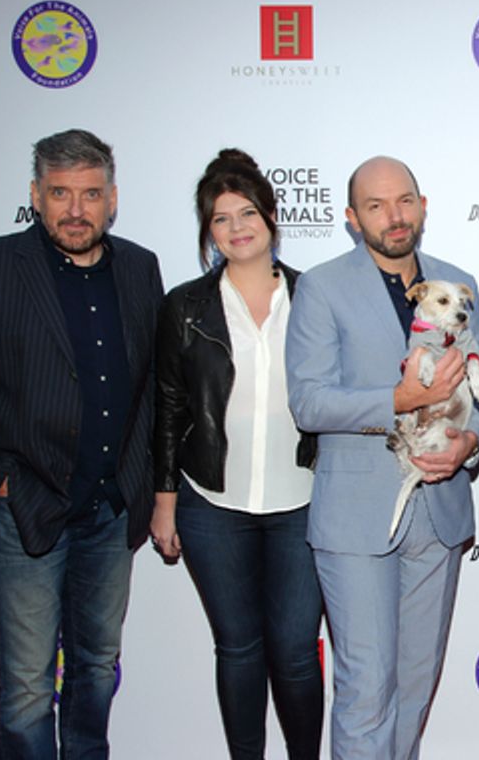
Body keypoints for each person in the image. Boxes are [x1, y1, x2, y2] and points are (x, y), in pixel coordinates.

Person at [0, 128, 163, 757]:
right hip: (25, 506)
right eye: (60, 192)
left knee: (95, 671)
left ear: (113, 198)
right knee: (27, 686)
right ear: (35, 194)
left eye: (90, 193)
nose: (76, 209)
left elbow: (156, 386)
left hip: (110, 512)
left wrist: (140, 484)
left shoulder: (140, 268)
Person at [285, 155, 479, 760]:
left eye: (404, 200)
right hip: (357, 515)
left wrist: (469, 441)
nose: (393, 216)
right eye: (375, 206)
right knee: (365, 686)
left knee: (415, 685)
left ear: (423, 205)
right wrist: (398, 400)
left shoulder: (459, 282)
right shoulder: (322, 287)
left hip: (439, 510)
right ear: (353, 218)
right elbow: (309, 401)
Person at [150, 149, 324, 759]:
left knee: (298, 650)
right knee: (239, 648)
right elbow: (169, 407)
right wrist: (165, 502)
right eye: (220, 219)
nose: (235, 227)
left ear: (272, 216)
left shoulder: (315, 295)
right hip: (210, 503)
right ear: (208, 232)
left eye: (246, 212)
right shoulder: (185, 307)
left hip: (302, 501)